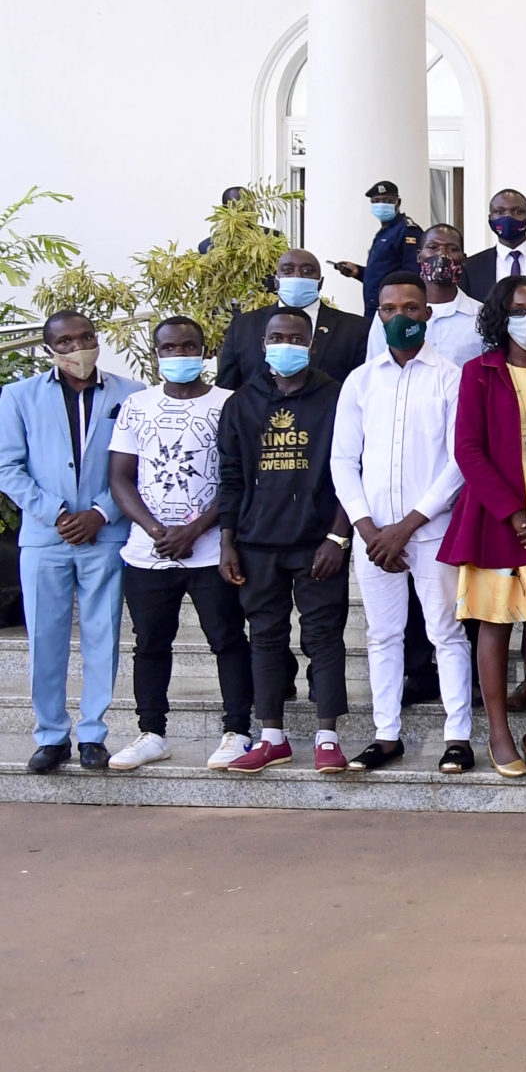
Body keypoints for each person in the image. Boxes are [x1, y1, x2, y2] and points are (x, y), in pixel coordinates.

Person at [328, 273, 472, 773]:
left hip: (429, 531)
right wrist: (368, 530)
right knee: (382, 636)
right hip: (374, 539)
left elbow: (458, 462)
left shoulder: (452, 377)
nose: (400, 317)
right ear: (379, 315)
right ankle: (386, 734)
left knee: (446, 634)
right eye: (389, 309)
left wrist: (407, 525)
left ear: (427, 314)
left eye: (410, 308)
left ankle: (458, 736)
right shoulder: (361, 380)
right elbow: (343, 461)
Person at [441, 277, 526, 776]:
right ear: (500, 316)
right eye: (519, 309)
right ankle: (499, 735)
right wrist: (514, 512)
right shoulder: (478, 372)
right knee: (495, 623)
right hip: (495, 516)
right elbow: (468, 450)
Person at [101, 317, 249, 769]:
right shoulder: (136, 406)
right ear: (156, 353)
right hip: (149, 552)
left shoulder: (231, 404)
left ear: (206, 351)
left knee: (226, 639)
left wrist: (196, 529)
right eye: (169, 348)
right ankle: (151, 732)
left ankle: (238, 730)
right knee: (149, 643)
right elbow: (119, 477)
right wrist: (154, 530)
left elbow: (240, 478)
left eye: (189, 346)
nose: (180, 355)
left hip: (210, 551)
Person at [211, 309, 352, 772]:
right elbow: (229, 477)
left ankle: (327, 736)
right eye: (277, 337)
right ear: (263, 344)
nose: (285, 344)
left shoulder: (337, 397)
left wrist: (338, 535)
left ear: (310, 346)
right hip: (255, 543)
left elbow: (350, 470)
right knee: (265, 638)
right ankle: (272, 736)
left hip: (317, 542)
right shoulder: (240, 403)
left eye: (295, 337)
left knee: (324, 637)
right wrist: (227, 541)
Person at [2, 312, 141, 772]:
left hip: (105, 532)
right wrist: (56, 513)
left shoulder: (131, 394)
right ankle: (50, 735)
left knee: (103, 634)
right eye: (64, 342)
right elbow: (7, 467)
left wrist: (101, 512)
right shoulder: (18, 396)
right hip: (46, 536)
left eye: (85, 338)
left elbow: (140, 467)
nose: (77, 348)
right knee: (45, 637)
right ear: (49, 349)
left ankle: (93, 734)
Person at [217, 247, 367, 389]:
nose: (297, 276)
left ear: (320, 283)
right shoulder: (244, 326)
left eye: (307, 271)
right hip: (255, 415)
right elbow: (227, 389)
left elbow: (362, 389)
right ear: (276, 282)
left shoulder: (355, 329)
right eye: (288, 271)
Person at [362, 222, 478, 363]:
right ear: (419, 256)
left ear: (463, 259)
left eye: (452, 249)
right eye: (433, 247)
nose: (442, 255)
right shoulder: (390, 312)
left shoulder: (482, 316)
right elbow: (375, 367)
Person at [337, 179, 424, 314]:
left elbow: (412, 274)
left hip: (394, 309)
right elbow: (383, 271)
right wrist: (358, 272)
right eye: (376, 201)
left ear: (398, 202)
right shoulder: (385, 232)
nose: (381, 205)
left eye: (387, 201)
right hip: (375, 307)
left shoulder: (407, 230)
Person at [462, 188, 526, 299]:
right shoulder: (471, 267)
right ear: (490, 219)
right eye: (499, 212)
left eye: (517, 211)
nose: (508, 217)